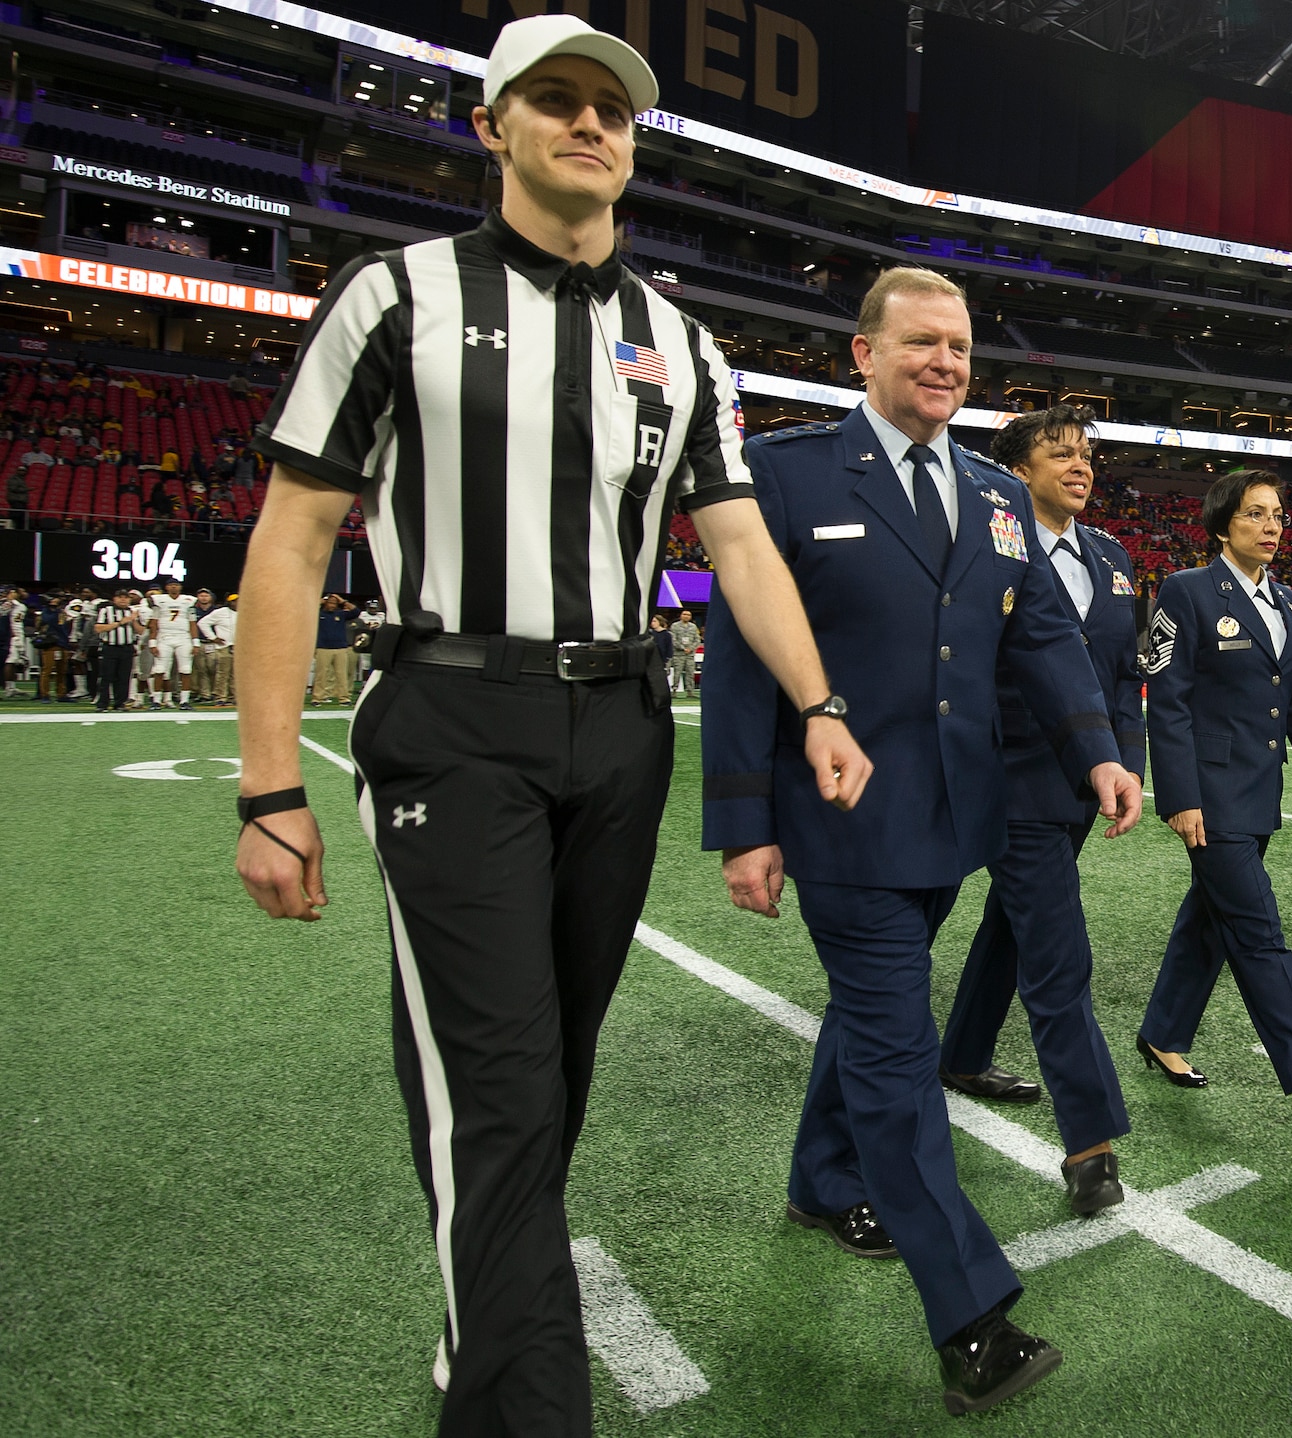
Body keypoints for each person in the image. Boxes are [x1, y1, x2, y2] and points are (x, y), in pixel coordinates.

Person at [231, 16, 870, 1434]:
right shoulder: (392, 295)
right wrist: (265, 784)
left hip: (625, 722)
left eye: (613, 110)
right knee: (502, 1089)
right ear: (492, 126)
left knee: (553, 1070)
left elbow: (742, 545)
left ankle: (480, 1331)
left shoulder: (682, 342)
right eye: (559, 102)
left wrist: (819, 699)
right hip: (451, 717)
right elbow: (291, 541)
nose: (592, 125)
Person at [701, 265, 1141, 1415]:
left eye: (957, 347)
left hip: (956, 821)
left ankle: (816, 1179)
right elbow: (743, 660)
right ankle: (970, 1317)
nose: (943, 363)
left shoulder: (995, 492)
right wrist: (745, 823)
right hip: (843, 823)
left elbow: (1041, 635)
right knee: (900, 1058)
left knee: (866, 1013)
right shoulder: (790, 475)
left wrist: (1094, 743)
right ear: (862, 354)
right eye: (919, 343)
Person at [935, 404, 1144, 1217]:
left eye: (1086, 453)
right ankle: (1090, 1144)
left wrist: (1121, 759)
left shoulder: (1114, 554)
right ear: (1016, 473)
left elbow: (1126, 674)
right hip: (1008, 774)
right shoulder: (985, 549)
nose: (1081, 465)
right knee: (1059, 955)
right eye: (1060, 454)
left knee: (1013, 924)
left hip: (1082, 784)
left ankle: (962, 1054)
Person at [1136, 470, 1292, 1150]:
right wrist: (1178, 797)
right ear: (1222, 526)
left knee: (1208, 924)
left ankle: (1161, 1033)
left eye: (1277, 515)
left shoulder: (1291, 604)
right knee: (1260, 937)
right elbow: (1169, 700)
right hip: (1210, 802)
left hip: (1258, 796)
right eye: (1255, 515)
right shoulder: (1185, 592)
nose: (1272, 526)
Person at [150, 578, 199, 709]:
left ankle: (184, 701)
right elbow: (153, 623)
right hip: (164, 636)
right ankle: (156, 700)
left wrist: (196, 642)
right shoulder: (159, 600)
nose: (173, 587)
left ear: (180, 587)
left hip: (183, 636)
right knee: (159, 669)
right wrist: (152, 642)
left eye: (176, 585)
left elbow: (192, 623)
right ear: (166, 587)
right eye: (171, 585)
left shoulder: (188, 601)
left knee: (186, 669)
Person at [93, 589, 142, 712]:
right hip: (110, 647)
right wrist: (120, 622)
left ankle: (120, 703)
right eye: (120, 597)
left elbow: (140, 631)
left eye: (126, 597)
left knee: (124, 678)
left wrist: (133, 620)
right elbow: (98, 628)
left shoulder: (132, 612)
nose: (123, 599)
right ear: (114, 599)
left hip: (127, 648)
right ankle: (102, 704)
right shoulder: (106, 611)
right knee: (107, 677)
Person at [310, 593, 356, 705]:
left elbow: (356, 612)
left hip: (340, 648)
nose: (332, 605)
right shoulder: (319, 614)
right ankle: (317, 698)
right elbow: (308, 609)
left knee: (341, 674)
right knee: (321, 674)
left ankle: (344, 698)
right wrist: (322, 600)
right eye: (330, 602)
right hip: (323, 648)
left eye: (334, 603)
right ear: (326, 603)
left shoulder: (341, 614)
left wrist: (342, 601)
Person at [197, 593, 235, 707]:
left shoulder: (245, 611)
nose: (236, 603)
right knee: (223, 673)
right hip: (225, 646)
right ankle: (221, 697)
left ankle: (234, 697)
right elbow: (203, 623)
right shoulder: (221, 612)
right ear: (229, 602)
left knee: (236, 674)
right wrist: (213, 638)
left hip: (240, 647)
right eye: (233, 601)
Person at [666, 606, 700, 695]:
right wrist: (682, 648)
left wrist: (691, 648)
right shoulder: (675, 626)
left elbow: (697, 640)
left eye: (688, 615)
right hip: (678, 654)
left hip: (690, 654)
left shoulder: (693, 627)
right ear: (681, 615)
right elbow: (673, 639)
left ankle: (690, 691)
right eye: (684, 614)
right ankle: (674, 690)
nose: (686, 616)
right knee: (677, 672)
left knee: (690, 673)